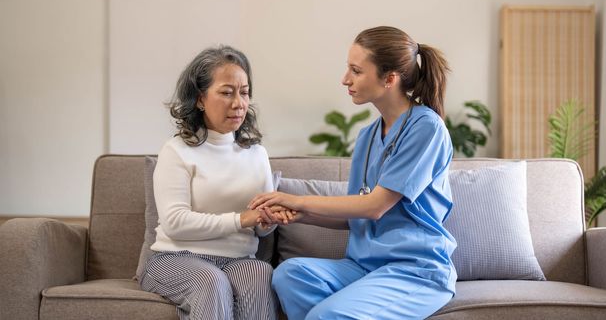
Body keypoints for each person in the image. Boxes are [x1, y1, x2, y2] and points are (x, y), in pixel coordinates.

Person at [250, 26, 457, 319]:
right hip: (364, 267)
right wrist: (297, 213)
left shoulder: (425, 128)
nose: (345, 79)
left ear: (389, 79)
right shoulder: (368, 136)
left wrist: (298, 200)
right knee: (290, 274)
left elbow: (374, 207)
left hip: (415, 270)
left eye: (356, 71)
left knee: (325, 315)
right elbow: (353, 213)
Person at [140, 45, 287, 320]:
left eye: (244, 92)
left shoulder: (257, 154)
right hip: (175, 258)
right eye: (226, 92)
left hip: (238, 259)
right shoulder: (177, 151)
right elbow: (175, 222)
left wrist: (267, 221)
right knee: (211, 282)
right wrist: (241, 219)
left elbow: (261, 230)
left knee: (260, 274)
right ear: (200, 99)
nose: (239, 103)